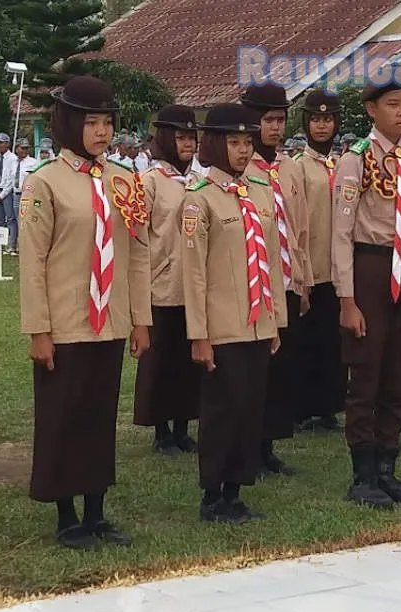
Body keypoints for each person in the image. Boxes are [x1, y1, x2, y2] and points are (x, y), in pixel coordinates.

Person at [19, 76, 151, 549]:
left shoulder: (124, 180)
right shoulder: (44, 182)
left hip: (111, 321)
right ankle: (66, 515)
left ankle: (96, 511)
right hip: (67, 322)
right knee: (64, 416)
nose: (101, 132)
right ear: (70, 124)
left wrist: (140, 320)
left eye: (107, 122)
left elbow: (137, 252)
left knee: (99, 416)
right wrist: (39, 329)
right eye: (91, 122)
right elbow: (32, 261)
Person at [332, 73, 401, 510]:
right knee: (367, 372)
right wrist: (347, 298)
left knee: (399, 370)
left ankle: (388, 468)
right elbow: (341, 231)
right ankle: (363, 473)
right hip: (371, 266)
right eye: (393, 104)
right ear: (372, 110)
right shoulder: (356, 159)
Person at [180, 103, 284, 522]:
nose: (242, 151)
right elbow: (194, 274)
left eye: (247, 142)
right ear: (214, 145)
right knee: (223, 409)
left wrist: (275, 320)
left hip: (257, 321)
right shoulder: (199, 199)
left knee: (250, 407)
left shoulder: (259, 191)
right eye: (234, 142)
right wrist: (199, 333)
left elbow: (272, 260)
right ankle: (212, 495)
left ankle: (236, 489)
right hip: (221, 326)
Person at [241, 83, 311, 476]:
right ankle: (250, 445)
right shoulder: (243, 170)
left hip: (287, 281)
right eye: (267, 120)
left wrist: (301, 280)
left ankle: (268, 445)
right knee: (256, 372)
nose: (275, 128)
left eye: (280, 120)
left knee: (281, 370)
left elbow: (297, 228)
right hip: (257, 285)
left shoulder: (290, 167)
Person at [133, 104, 200, 455]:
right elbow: (139, 236)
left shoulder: (197, 181)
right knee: (161, 361)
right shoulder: (149, 182)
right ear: (165, 139)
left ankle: (183, 426)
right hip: (160, 285)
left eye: (191, 137)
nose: (187, 144)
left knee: (188, 362)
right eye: (180, 137)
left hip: (193, 286)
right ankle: (161, 430)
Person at [293, 89, 347, 432]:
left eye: (328, 119)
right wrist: (302, 275)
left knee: (334, 341)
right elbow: (298, 223)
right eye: (316, 119)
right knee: (306, 341)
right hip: (310, 266)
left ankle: (329, 406)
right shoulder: (299, 167)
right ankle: (303, 407)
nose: (322, 126)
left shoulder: (345, 165)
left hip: (339, 269)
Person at [9, 138, 38, 256]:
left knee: (25, 220)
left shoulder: (33, 162)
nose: (25, 151)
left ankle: (25, 246)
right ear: (17, 148)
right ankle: (13, 246)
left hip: (27, 195)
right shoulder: (13, 162)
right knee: (15, 220)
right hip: (16, 194)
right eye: (22, 148)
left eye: (27, 148)